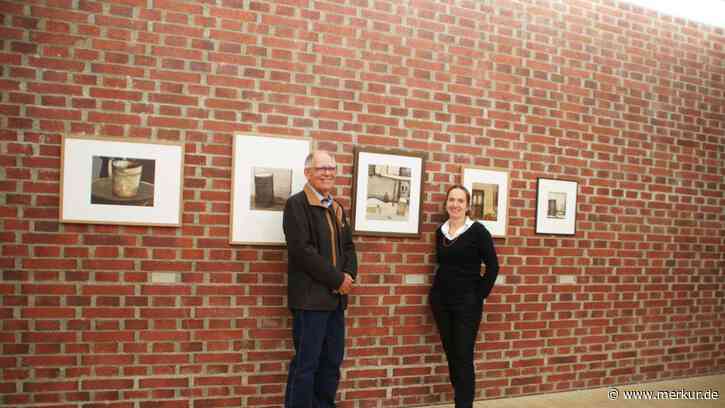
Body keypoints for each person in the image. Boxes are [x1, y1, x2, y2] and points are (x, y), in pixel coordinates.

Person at [283, 150, 357, 408]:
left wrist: (349, 275)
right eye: (321, 168)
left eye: (331, 168)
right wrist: (337, 279)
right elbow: (303, 252)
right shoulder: (296, 205)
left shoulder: (337, 207)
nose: (327, 172)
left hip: (336, 301)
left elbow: (349, 247)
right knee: (306, 365)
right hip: (309, 301)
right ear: (308, 172)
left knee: (331, 364)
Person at [430, 185, 499, 408]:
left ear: (468, 206)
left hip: (467, 304)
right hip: (441, 301)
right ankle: (459, 398)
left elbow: (493, 266)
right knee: (451, 354)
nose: (455, 204)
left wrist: (478, 295)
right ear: (446, 204)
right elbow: (442, 264)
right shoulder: (440, 232)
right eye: (451, 200)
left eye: (460, 201)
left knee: (463, 355)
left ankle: (464, 404)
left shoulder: (478, 231)